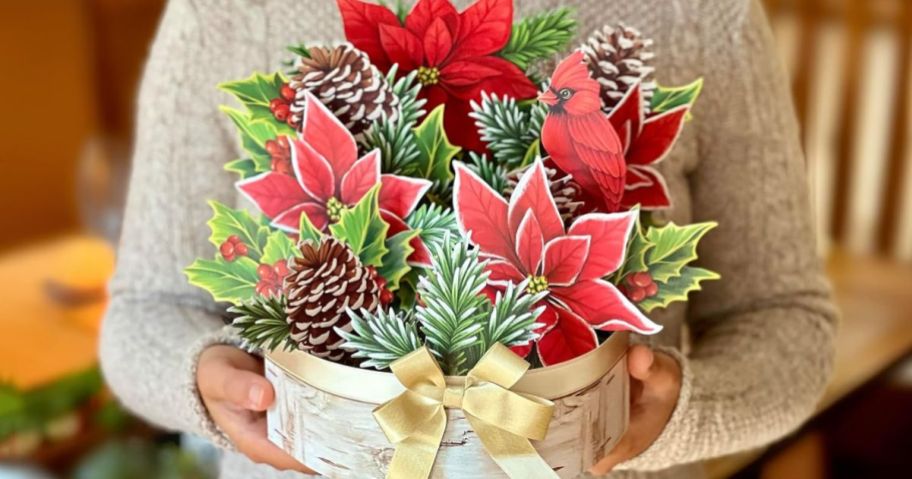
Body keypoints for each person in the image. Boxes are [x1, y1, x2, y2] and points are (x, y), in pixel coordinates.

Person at [100, 0, 838, 478]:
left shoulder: (701, 16)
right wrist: (205, 381)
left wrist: (685, 411)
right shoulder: (220, 15)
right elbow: (143, 311)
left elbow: (789, 320)